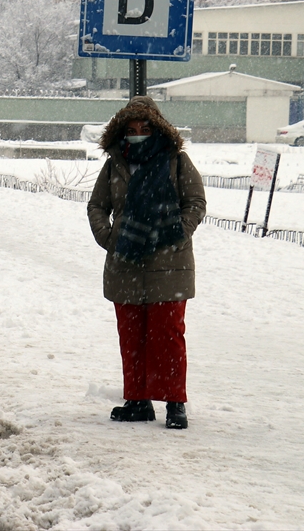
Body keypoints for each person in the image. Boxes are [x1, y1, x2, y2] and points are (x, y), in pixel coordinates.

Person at [87, 95, 206, 431]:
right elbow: (97, 206)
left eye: (145, 127)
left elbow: (195, 202)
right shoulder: (115, 164)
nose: (138, 132)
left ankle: (174, 403)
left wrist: (176, 233)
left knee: (168, 335)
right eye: (132, 128)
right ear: (122, 131)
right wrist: (110, 239)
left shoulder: (176, 161)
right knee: (132, 335)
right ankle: (137, 400)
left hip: (169, 263)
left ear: (158, 128)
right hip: (125, 263)